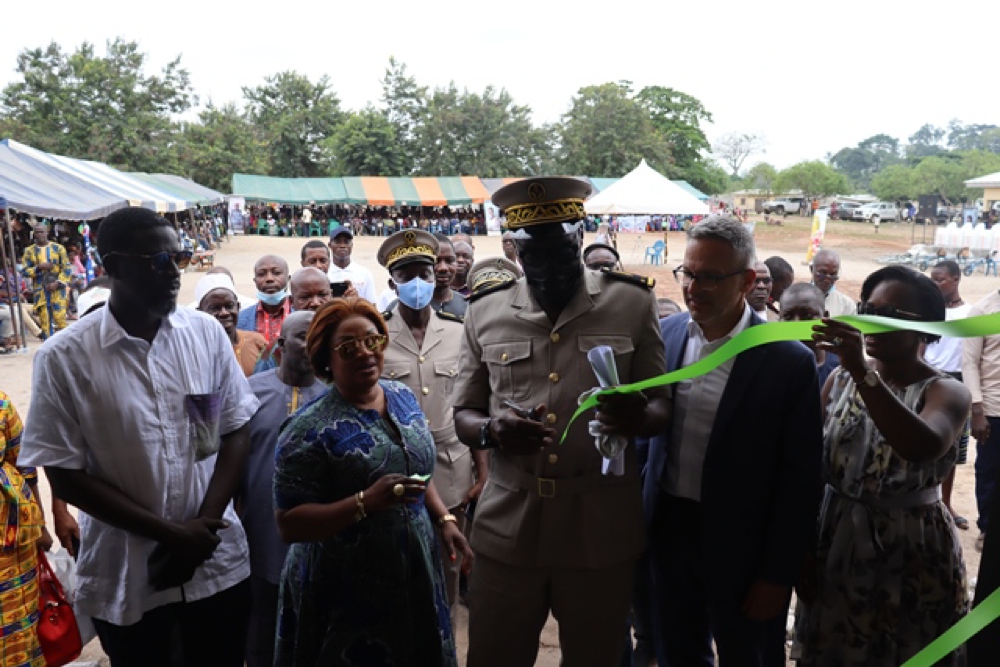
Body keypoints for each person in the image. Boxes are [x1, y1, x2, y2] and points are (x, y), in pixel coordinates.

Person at [20, 207, 259, 667]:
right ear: (112, 267)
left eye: (179, 258)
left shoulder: (206, 335)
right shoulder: (64, 358)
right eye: (156, 261)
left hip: (216, 564)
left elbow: (232, 430)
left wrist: (201, 530)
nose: (172, 273)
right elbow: (65, 477)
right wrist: (170, 535)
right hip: (130, 576)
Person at [453, 177, 671, 667]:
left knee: (596, 657)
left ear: (580, 238)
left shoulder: (632, 302)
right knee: (494, 655)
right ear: (514, 249)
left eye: (562, 253)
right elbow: (464, 413)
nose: (550, 269)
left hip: (599, 524)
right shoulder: (486, 311)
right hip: (510, 523)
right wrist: (493, 431)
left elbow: (661, 407)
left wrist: (637, 417)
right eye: (535, 257)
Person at [647, 216, 823, 666]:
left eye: (709, 277)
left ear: (746, 281)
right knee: (677, 652)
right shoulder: (665, 337)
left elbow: (800, 478)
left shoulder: (787, 360)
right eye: (687, 274)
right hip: (670, 533)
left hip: (747, 545)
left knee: (750, 654)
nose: (693, 288)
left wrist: (776, 574)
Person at [273, 298, 473, 666]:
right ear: (325, 360)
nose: (365, 353)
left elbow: (414, 468)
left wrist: (443, 519)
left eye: (373, 341)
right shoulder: (306, 430)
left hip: (413, 568)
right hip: (344, 589)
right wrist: (364, 502)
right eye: (348, 348)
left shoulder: (401, 397)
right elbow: (289, 524)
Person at [794, 265, 970, 667]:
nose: (869, 321)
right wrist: (803, 546)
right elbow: (811, 467)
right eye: (866, 308)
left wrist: (861, 372)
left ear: (926, 329)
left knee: (904, 649)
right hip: (836, 541)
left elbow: (921, 445)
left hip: (909, 549)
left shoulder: (947, 391)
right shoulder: (838, 381)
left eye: (888, 315)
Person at [376, 230, 484, 616]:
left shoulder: (459, 330)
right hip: (393, 475)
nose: (418, 283)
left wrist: (481, 471)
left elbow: (474, 402)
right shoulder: (377, 334)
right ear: (393, 282)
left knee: (447, 579)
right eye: (407, 276)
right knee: (397, 582)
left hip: (452, 472)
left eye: (424, 272)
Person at [239, 311, 326, 667]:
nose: (312, 345)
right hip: (258, 536)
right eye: (304, 336)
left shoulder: (333, 397)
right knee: (260, 633)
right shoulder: (248, 394)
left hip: (319, 539)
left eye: (320, 336)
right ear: (278, 347)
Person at [0, 390, 53, 667]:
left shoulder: (1, 403)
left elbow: (25, 464)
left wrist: (41, 525)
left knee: (21, 622)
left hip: (14, 540)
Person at [925, 260, 972, 530]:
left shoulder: (970, 314)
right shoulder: (930, 312)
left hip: (956, 382)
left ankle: (946, 503)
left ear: (955, 280)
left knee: (951, 450)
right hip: (929, 378)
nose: (935, 284)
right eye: (932, 279)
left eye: (940, 279)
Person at [962, 282, 1000, 552]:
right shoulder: (981, 311)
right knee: (988, 472)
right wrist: (977, 410)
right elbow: (969, 362)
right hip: (993, 410)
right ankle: (987, 528)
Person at [253, 268, 335, 375]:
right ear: (292, 301)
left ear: (331, 296)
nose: (315, 303)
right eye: (305, 297)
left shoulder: (344, 336)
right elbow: (262, 385)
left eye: (322, 295)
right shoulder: (279, 348)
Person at [196, 273, 268, 377]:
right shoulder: (194, 351)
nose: (224, 312)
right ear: (200, 313)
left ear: (238, 307)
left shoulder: (257, 342)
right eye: (215, 308)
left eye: (229, 306)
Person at [780, 283, 840, 388]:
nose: (797, 324)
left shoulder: (839, 367)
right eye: (788, 317)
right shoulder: (768, 366)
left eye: (807, 316)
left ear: (825, 318)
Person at [21, 223, 71, 339]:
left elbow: (67, 268)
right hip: (40, 291)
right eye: (36, 232)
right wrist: (38, 268)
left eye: (41, 232)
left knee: (60, 319)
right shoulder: (29, 251)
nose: (39, 235)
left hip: (58, 290)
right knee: (45, 322)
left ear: (47, 232)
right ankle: (49, 348)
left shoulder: (58, 248)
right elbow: (24, 271)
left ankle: (68, 345)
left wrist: (58, 283)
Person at [238, 254, 291, 344]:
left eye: (276, 273)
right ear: (255, 281)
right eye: (261, 274)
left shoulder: (302, 314)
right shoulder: (240, 320)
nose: (269, 279)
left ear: (288, 279)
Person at [328, 227, 377, 303]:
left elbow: (372, 306)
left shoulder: (364, 274)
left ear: (352, 245)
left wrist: (357, 300)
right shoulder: (324, 273)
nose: (342, 245)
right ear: (330, 245)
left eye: (346, 242)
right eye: (338, 242)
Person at [430, 234, 468, 318]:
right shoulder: (403, 307)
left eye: (449, 260)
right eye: (436, 261)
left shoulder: (468, 306)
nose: (443, 268)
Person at [811, 249, 856, 317]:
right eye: (822, 273)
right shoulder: (795, 299)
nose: (827, 279)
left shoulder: (847, 305)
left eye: (833, 274)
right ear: (811, 269)